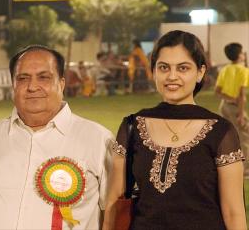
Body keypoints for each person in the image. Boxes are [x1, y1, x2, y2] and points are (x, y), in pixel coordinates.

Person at [103, 30, 247, 230]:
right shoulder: (132, 127)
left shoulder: (220, 131)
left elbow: (234, 212)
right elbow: (113, 202)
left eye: (183, 68)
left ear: (200, 72)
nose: (172, 76)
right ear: (154, 71)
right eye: (163, 67)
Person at [0, 45, 115, 229]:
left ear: (62, 83)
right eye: (23, 78)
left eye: (44, 77)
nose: (32, 87)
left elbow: (114, 212)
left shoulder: (98, 140)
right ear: (13, 85)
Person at [215, 42, 249, 178]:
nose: (243, 55)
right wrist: (241, 114)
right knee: (245, 137)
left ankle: (226, 165)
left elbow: (217, 92)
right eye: (242, 52)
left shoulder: (225, 69)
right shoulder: (243, 70)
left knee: (228, 137)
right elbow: (241, 94)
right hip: (235, 109)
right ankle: (246, 170)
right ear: (239, 55)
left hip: (224, 107)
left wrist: (229, 98)